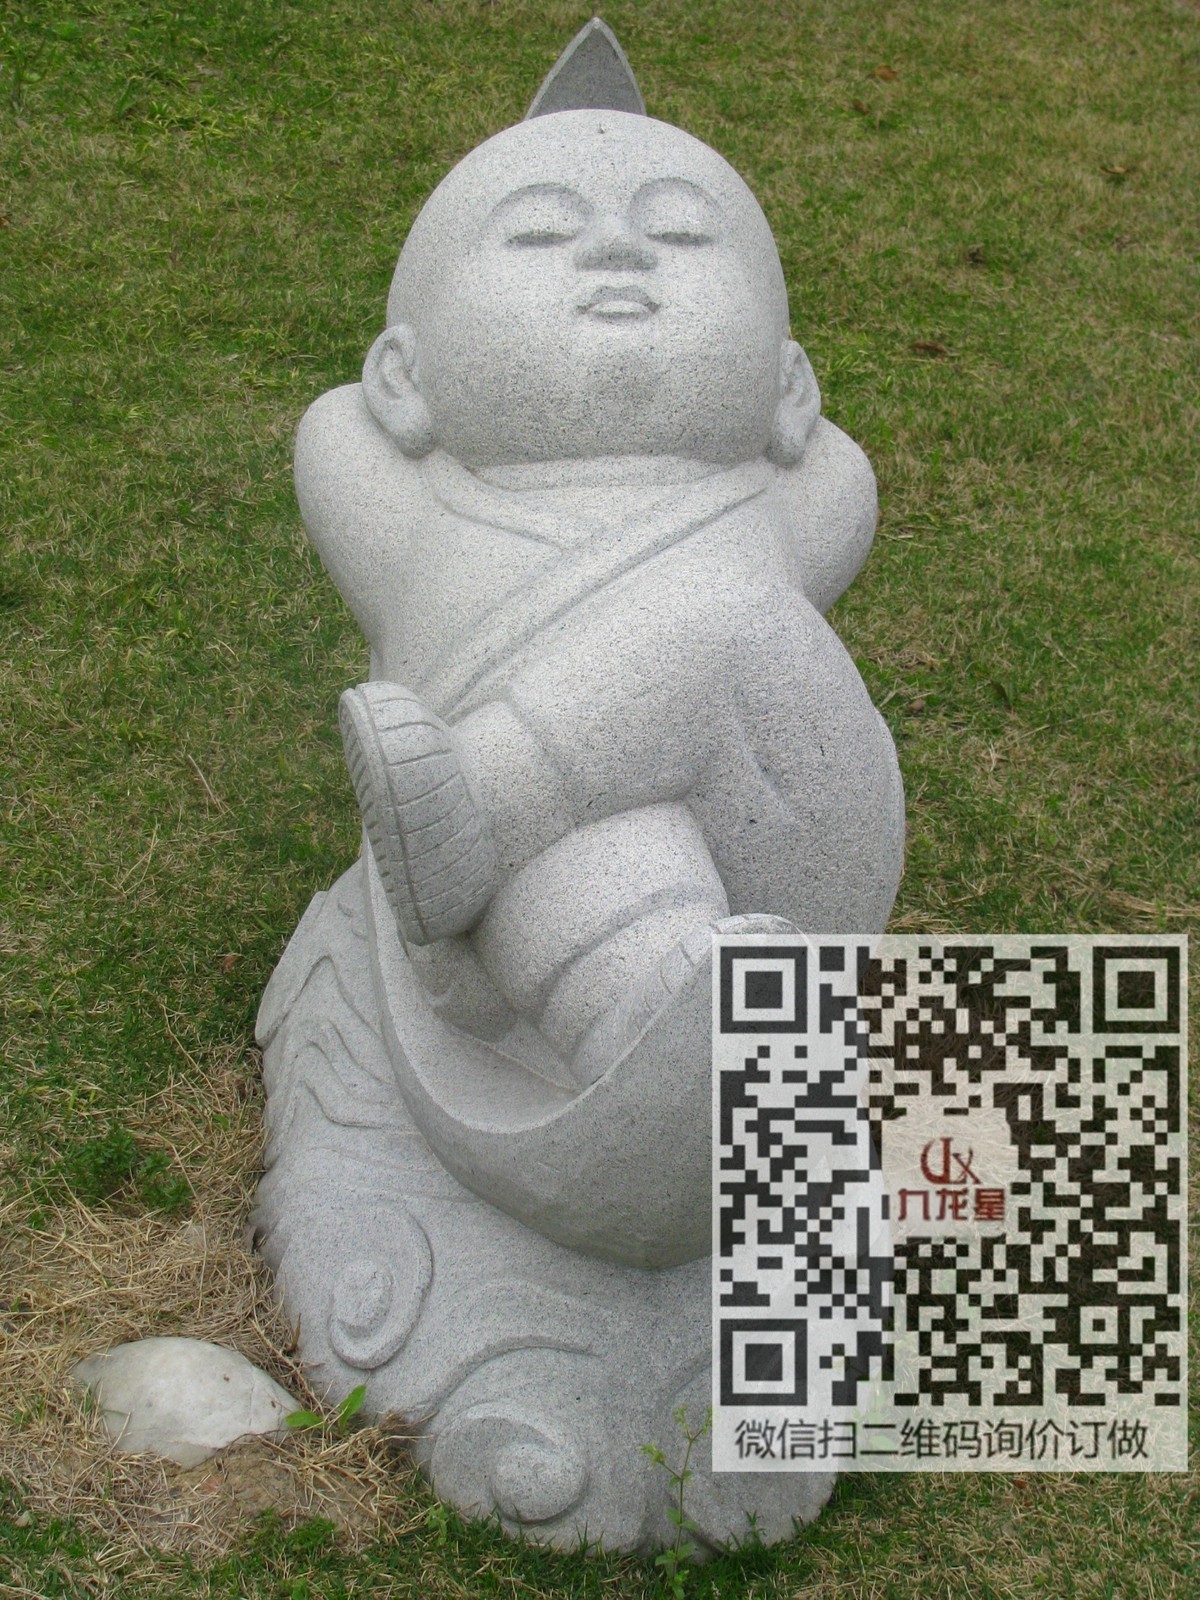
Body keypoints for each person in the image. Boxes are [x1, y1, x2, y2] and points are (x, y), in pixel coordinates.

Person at [294, 108, 904, 1078]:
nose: (619, 247)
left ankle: (482, 803)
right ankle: (659, 1031)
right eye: (540, 232)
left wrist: (470, 812)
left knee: (741, 618)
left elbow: (823, 489)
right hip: (524, 936)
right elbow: (340, 431)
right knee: (618, 854)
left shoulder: (794, 496)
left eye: (682, 233)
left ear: (790, 386)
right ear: (402, 378)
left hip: (794, 847)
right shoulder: (418, 511)